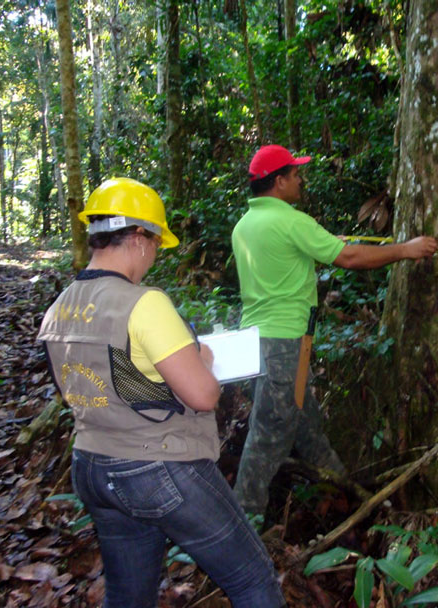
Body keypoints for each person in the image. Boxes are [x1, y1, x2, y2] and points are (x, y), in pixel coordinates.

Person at [38, 178, 285, 608]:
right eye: (155, 242)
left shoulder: (60, 306)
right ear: (137, 238)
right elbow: (203, 395)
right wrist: (202, 361)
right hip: (159, 467)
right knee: (253, 579)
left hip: (93, 467)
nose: (153, 255)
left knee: (128, 596)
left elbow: (83, 387)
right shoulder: (143, 303)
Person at [231, 145, 438, 518]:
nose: (300, 180)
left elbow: (288, 259)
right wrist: (405, 250)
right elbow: (350, 258)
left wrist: (326, 243)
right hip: (284, 347)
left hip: (257, 344)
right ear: (278, 182)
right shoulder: (291, 221)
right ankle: (238, 528)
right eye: (295, 175)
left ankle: (354, 501)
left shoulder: (245, 225)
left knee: (308, 432)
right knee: (265, 441)